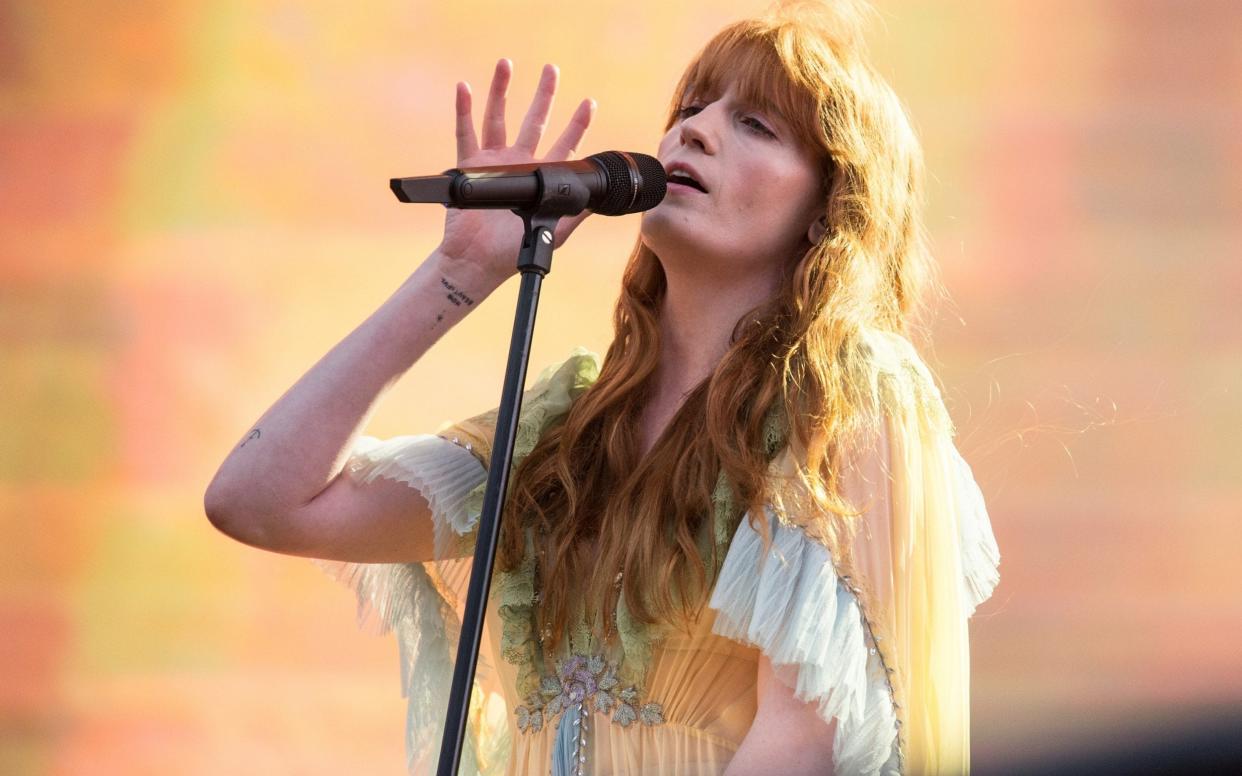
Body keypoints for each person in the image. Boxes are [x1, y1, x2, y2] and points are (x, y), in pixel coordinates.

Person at [203, 1, 1001, 774]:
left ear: (828, 210)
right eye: (690, 105)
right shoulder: (561, 433)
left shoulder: (846, 400)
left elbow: (805, 745)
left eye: (754, 123)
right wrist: (457, 274)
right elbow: (259, 501)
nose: (693, 128)